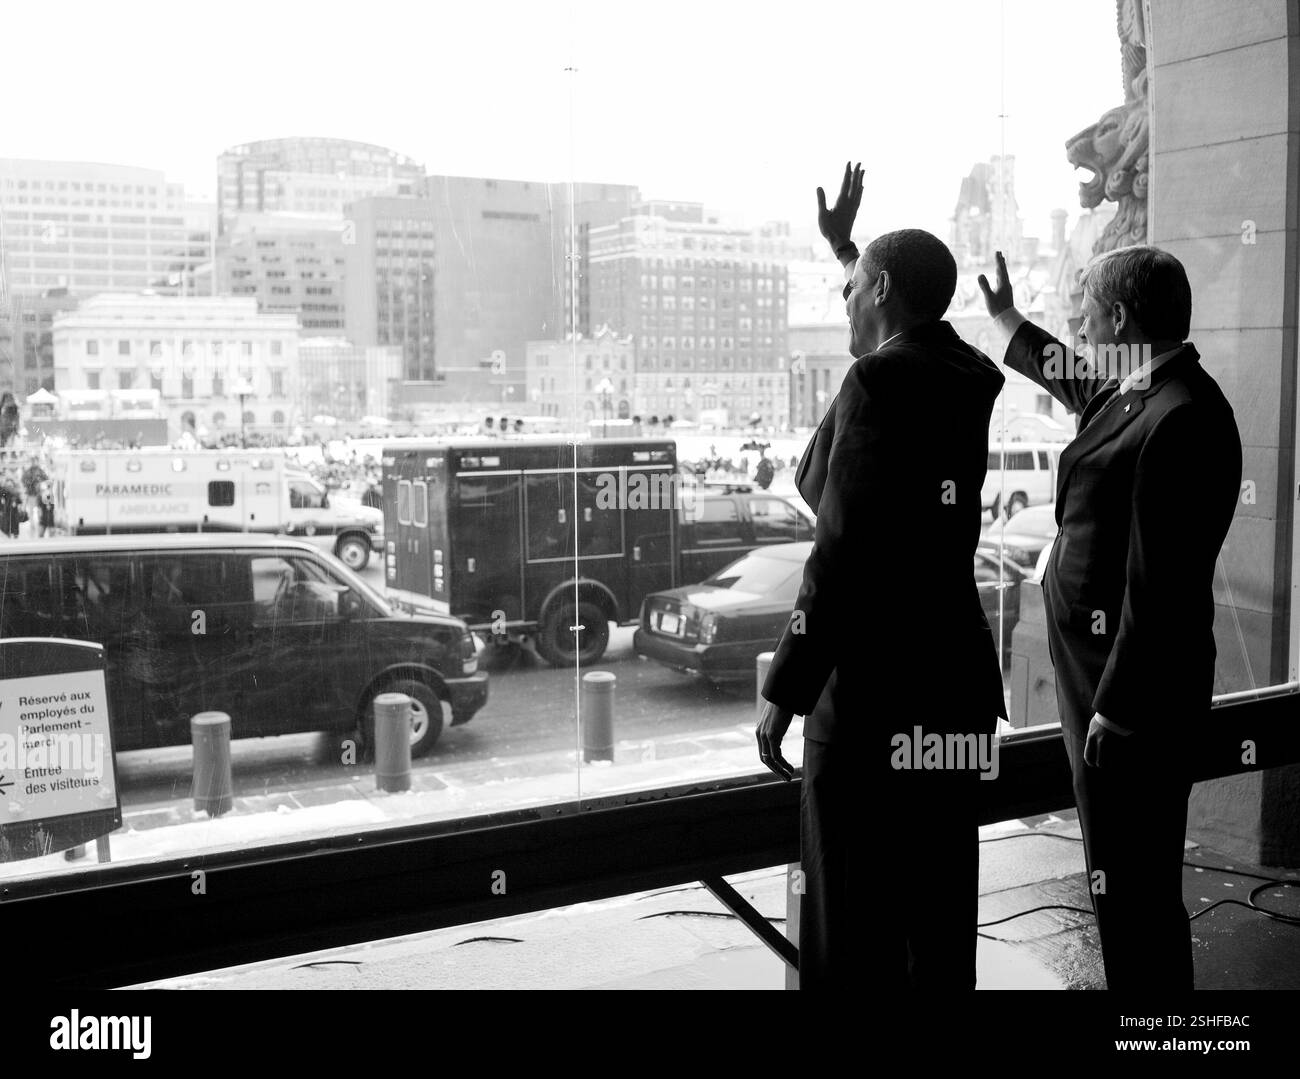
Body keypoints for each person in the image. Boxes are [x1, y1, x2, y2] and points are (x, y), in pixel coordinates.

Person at [757, 163, 1008, 989]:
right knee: (937, 905)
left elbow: (840, 552)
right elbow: (912, 332)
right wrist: (850, 256)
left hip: (873, 700)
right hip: (954, 686)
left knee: (849, 909)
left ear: (883, 289)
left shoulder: (874, 380)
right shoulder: (969, 376)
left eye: (854, 288)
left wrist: (787, 687)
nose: (844, 301)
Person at [978, 245, 1242, 990]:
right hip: (1101, 687)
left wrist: (1118, 709)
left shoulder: (1183, 415)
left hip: (1128, 703)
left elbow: (1162, 589)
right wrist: (1007, 319)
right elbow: (1082, 386)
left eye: (1087, 307)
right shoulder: (1145, 391)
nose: (1080, 321)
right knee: (1119, 877)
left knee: (1134, 889)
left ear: (1121, 317)